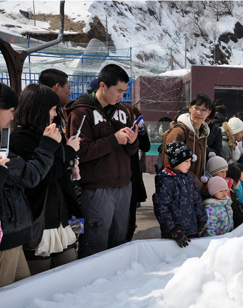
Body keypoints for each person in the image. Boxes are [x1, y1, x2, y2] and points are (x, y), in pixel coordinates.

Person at [66, 64, 139, 258]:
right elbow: (79, 152)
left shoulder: (124, 110)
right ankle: (92, 286)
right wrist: (113, 140)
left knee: (119, 240)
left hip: (124, 186)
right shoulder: (81, 111)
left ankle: (117, 284)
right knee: (94, 243)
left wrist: (133, 141)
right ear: (103, 86)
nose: (121, 96)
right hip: (96, 189)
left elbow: (130, 151)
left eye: (124, 91)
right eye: (119, 91)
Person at [9, 84, 82, 275]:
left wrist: (69, 158)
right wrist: (68, 151)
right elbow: (45, 175)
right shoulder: (20, 138)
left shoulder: (50, 132)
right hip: (39, 218)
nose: (55, 114)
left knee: (69, 271)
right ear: (39, 109)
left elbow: (57, 168)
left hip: (61, 215)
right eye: (51, 109)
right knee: (38, 278)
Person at [0, 83, 61, 287]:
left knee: (23, 290)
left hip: (14, 232)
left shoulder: (5, 139)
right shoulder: (19, 139)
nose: (11, 117)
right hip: (6, 234)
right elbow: (30, 176)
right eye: (9, 111)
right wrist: (48, 146)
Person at [153, 141, 206, 247]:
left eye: (190, 161)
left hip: (191, 229)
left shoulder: (189, 177)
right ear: (176, 161)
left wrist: (202, 220)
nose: (189, 165)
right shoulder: (166, 180)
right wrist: (173, 230)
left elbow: (197, 200)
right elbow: (161, 208)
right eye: (186, 161)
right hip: (174, 235)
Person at [161, 93, 212, 190]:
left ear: (208, 113)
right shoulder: (179, 132)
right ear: (190, 108)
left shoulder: (203, 134)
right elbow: (170, 163)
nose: (199, 113)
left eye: (203, 110)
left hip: (193, 188)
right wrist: (197, 184)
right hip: (179, 189)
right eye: (196, 108)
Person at [125, 104, 151, 242]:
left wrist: (141, 130)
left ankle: (129, 234)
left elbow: (146, 146)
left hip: (134, 175)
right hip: (120, 176)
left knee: (131, 211)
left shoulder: (137, 129)